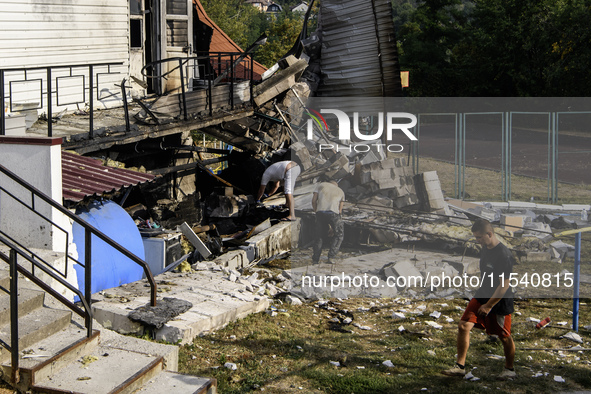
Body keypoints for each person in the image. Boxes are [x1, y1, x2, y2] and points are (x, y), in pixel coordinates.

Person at [442, 218, 516, 380]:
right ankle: (460, 367)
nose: (477, 241)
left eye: (479, 237)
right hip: (482, 294)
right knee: (463, 325)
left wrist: (489, 305)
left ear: (489, 234)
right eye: (476, 237)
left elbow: (503, 286)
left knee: (504, 336)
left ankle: (509, 370)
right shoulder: (485, 248)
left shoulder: (504, 255)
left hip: (499, 299)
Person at [311, 176, 345, 264]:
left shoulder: (321, 185)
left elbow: (314, 201)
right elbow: (339, 211)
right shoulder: (340, 191)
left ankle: (315, 259)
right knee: (339, 235)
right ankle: (331, 257)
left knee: (319, 237)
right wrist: (333, 227)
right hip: (333, 214)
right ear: (336, 185)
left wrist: (316, 212)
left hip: (320, 213)